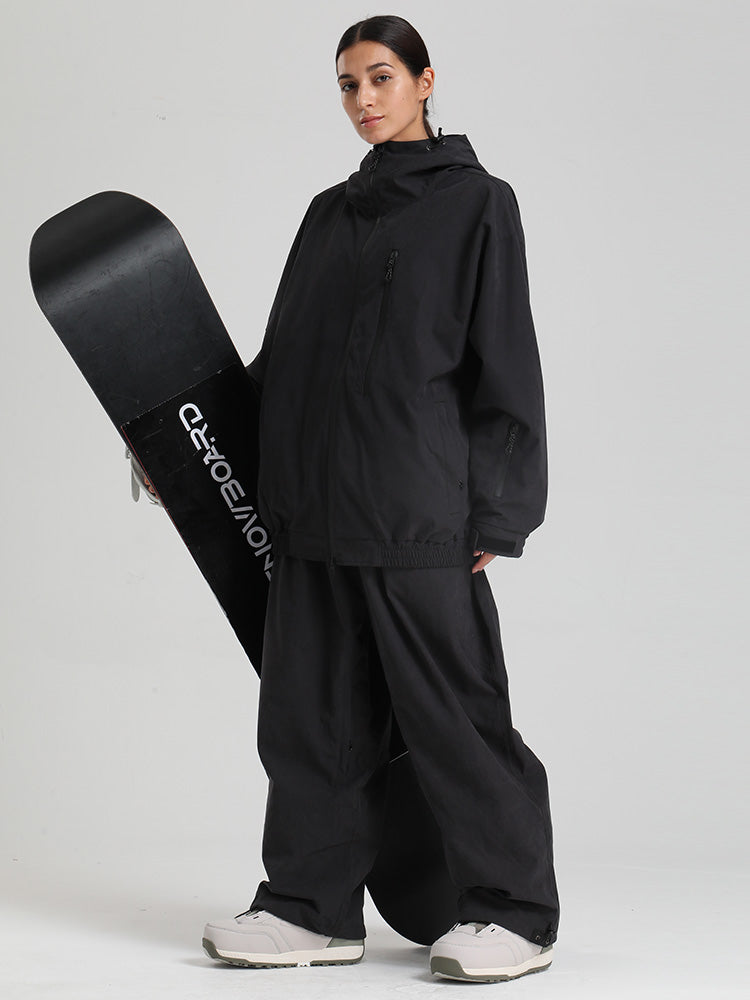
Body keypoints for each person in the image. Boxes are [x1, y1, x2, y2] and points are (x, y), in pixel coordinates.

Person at [202, 14, 560, 983]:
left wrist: (500, 511)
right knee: (310, 720)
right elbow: (284, 359)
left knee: (455, 717)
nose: (363, 99)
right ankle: (309, 908)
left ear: (425, 81)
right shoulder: (329, 214)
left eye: (381, 77)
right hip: (312, 513)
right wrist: (182, 449)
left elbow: (507, 362)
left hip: (417, 513)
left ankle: (513, 913)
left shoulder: (478, 205)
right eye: (348, 84)